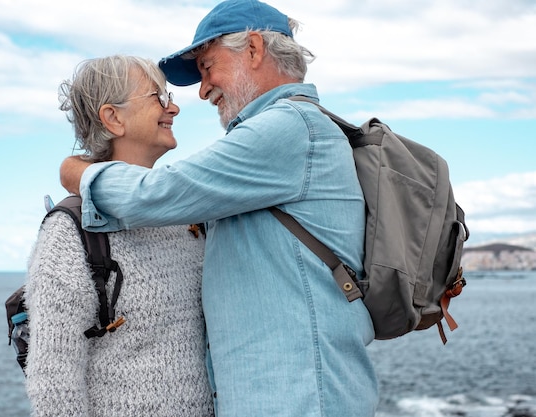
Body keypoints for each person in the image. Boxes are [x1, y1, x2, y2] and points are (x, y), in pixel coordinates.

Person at [60, 1, 379, 416]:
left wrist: (78, 174)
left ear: (253, 49)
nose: (203, 89)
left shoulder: (287, 127)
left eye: (208, 67)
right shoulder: (287, 130)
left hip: (301, 399)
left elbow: (153, 194)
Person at [25, 55, 214, 417]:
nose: (173, 108)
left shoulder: (187, 216)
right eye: (158, 97)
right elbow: (53, 384)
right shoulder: (69, 231)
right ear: (113, 118)